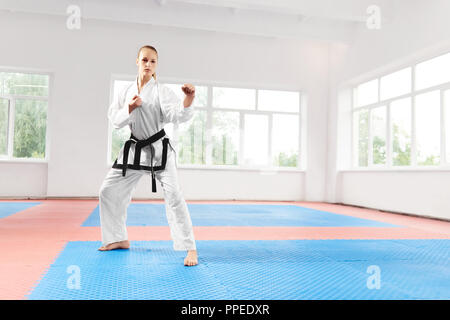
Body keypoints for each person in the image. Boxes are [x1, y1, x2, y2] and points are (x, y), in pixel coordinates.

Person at [98, 45, 198, 266]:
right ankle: (117, 238)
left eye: (153, 61)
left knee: (174, 197)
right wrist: (131, 108)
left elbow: (177, 114)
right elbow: (115, 120)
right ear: (137, 61)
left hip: (159, 150)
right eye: (144, 60)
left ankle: (190, 248)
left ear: (156, 65)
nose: (148, 65)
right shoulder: (125, 91)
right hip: (134, 149)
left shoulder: (162, 91)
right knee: (108, 190)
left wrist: (188, 99)